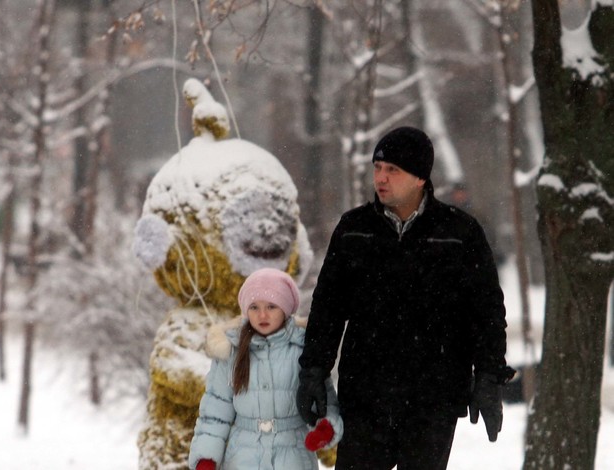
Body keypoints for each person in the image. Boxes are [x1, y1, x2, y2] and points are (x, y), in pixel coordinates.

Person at [296, 126, 515, 469]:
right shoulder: (354, 229)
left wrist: (488, 375)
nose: (380, 179)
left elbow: (486, 312)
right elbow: (328, 307)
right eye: (377, 168)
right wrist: (313, 369)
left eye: (392, 170)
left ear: (419, 178)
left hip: (434, 399)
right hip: (365, 396)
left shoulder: (459, 233)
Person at [189, 268, 343, 470]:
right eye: (254, 307)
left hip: (294, 457)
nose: (262, 314)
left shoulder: (304, 350)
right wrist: (206, 458)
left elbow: (325, 401)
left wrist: (326, 428)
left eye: (271, 306)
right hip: (242, 458)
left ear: (285, 308)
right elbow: (215, 413)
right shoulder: (232, 351)